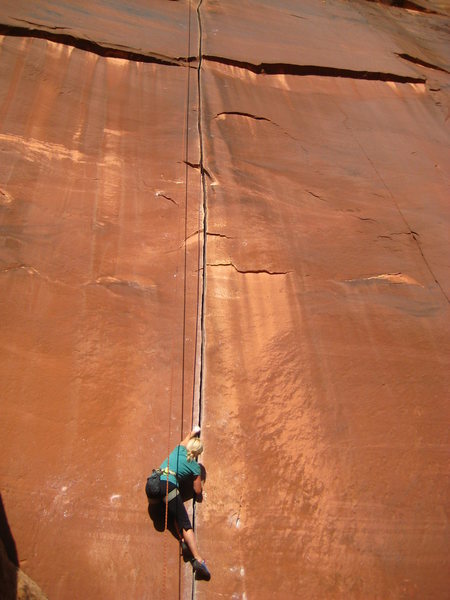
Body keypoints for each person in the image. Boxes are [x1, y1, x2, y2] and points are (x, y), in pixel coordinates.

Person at [153, 427, 210, 580]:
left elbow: (188, 436)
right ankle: (198, 559)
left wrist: (195, 431)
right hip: (169, 487)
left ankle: (183, 541)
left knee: (175, 514)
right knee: (185, 523)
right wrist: (199, 478)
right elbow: (197, 491)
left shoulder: (179, 449)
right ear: (198, 453)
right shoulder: (195, 467)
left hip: (155, 482)